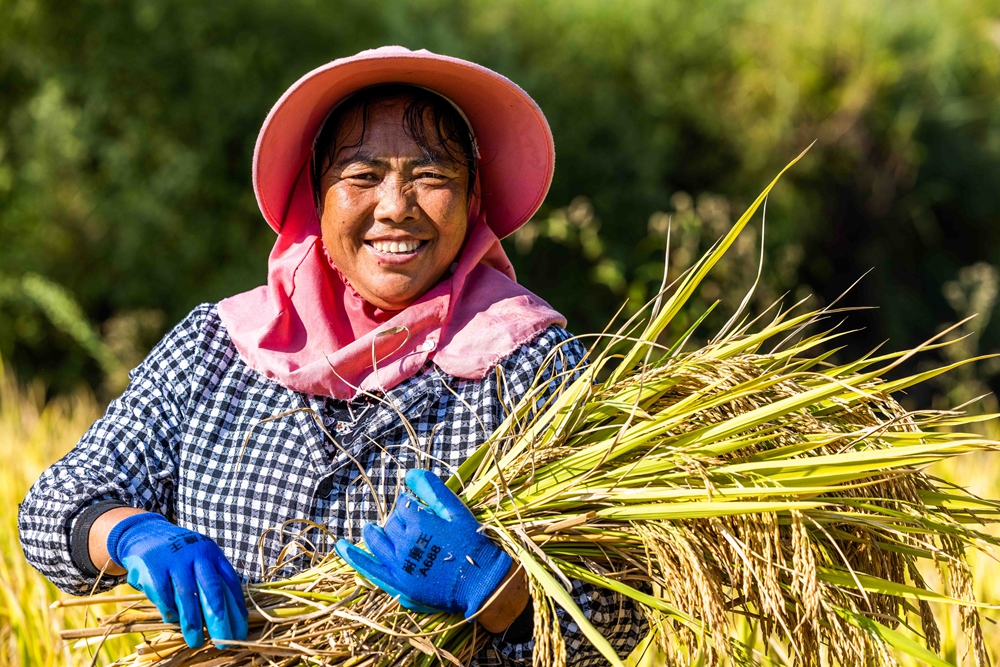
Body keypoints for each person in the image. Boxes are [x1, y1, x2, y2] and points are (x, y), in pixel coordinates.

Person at [19, 46, 642, 665]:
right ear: (314, 194)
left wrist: (500, 595)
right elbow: (52, 509)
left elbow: (627, 613)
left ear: (473, 198)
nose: (396, 206)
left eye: (432, 177)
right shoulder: (217, 347)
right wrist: (130, 533)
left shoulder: (532, 369)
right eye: (362, 176)